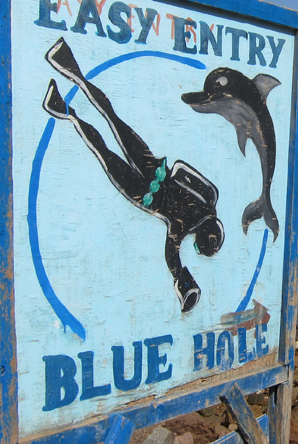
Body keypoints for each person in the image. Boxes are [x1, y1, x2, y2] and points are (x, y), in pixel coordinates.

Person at [40, 37, 224, 313]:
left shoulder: (210, 197)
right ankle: (67, 112)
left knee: (113, 119)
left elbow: (181, 170)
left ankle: (69, 68)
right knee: (103, 150)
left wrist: (168, 179)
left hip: (155, 169)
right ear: (200, 239)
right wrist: (184, 283)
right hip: (144, 195)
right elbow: (171, 257)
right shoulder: (181, 227)